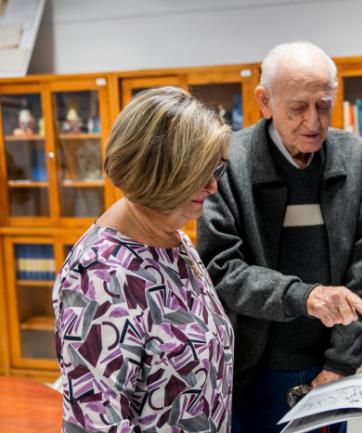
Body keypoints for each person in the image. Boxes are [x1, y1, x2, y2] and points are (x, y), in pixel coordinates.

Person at [197, 41, 362, 433]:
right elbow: (220, 268)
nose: (314, 122)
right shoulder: (231, 159)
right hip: (252, 369)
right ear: (265, 101)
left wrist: (340, 364)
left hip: (327, 366)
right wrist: (305, 295)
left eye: (324, 105)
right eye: (299, 107)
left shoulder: (354, 157)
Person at [52, 87, 233, 432]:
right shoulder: (99, 276)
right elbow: (96, 425)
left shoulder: (173, 237)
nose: (213, 187)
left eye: (215, 171)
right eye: (199, 176)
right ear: (158, 175)